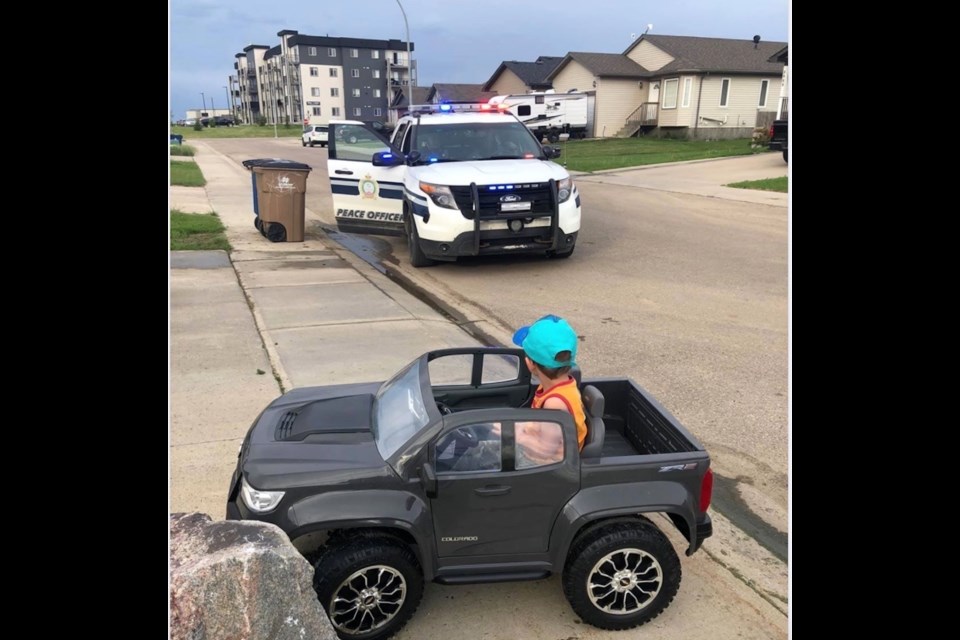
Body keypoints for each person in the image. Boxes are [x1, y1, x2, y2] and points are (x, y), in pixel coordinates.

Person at [512, 314, 588, 452]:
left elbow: (547, 450)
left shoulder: (555, 403)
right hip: (543, 439)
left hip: (553, 462)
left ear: (530, 363)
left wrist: (518, 437)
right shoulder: (560, 384)